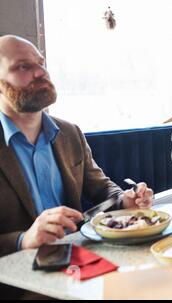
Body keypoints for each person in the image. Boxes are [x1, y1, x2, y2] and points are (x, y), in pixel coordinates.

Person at [0, 35, 154, 258]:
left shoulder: (70, 133)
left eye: (41, 64)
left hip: (78, 260)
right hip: (18, 282)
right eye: (24, 66)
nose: (41, 73)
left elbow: (101, 188)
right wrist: (23, 240)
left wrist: (124, 200)